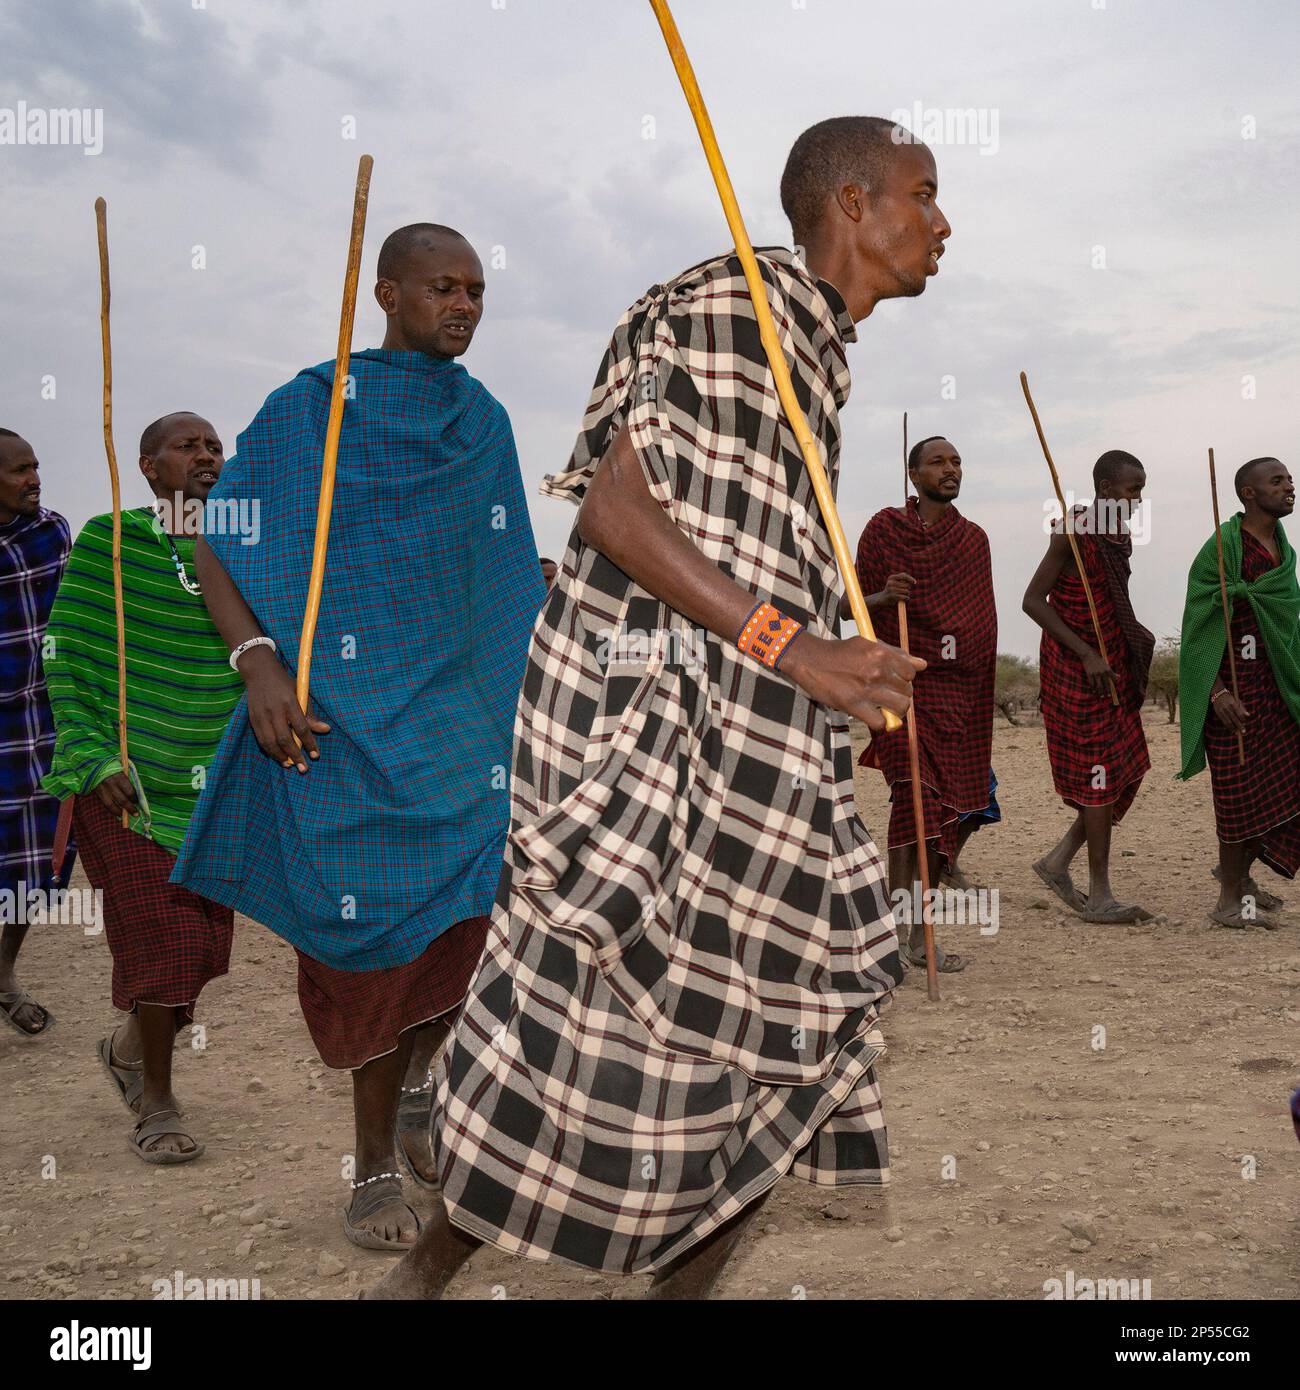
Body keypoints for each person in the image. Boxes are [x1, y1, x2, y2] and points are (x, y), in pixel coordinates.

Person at [368, 114, 945, 1301]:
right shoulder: (729, 305)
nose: (942, 225)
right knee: (589, 1007)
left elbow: (749, 532)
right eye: (923, 194)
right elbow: (613, 512)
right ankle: (429, 1265)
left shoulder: (816, 347)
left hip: (765, 744)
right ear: (850, 202)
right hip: (661, 729)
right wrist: (798, 649)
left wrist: (833, 660)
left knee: (779, 1024)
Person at [173, 224, 543, 1249]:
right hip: (333, 721)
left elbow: (504, 581)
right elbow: (217, 539)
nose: (462, 305)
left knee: (464, 931)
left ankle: (426, 1091)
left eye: (475, 289)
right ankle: (372, 1161)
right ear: (385, 293)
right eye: (441, 287)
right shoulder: (309, 407)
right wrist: (259, 664)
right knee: (368, 945)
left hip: (458, 728)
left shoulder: (484, 423)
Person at [41, 413, 243, 1160]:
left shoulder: (244, 548)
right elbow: (65, 657)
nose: (205, 456)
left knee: (205, 948)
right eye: (187, 446)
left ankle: (126, 1047)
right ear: (148, 466)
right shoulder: (109, 542)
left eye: (215, 446)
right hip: (127, 782)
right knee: (167, 938)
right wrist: (96, 760)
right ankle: (156, 1099)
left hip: (217, 784)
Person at [851, 434, 996, 973]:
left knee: (943, 818)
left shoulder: (973, 539)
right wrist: (883, 597)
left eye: (957, 461)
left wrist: (970, 681)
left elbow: (983, 625)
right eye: (937, 462)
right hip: (900, 687)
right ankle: (893, 937)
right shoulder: (884, 530)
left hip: (958, 697)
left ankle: (921, 935)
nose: (950, 469)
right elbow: (844, 605)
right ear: (913, 474)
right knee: (910, 804)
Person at [1023, 451, 1153, 922]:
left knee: (1126, 770)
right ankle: (1100, 896)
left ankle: (1057, 862)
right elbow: (1032, 601)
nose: (1138, 499)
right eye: (1131, 489)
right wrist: (1085, 652)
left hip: (1110, 665)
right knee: (1098, 776)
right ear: (1104, 487)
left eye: (1141, 490)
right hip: (1076, 669)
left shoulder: (1115, 537)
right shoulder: (1072, 531)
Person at [1177, 456, 1299, 928]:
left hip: (1277, 690)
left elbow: (1288, 618)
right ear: (1248, 493)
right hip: (1232, 695)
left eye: (1289, 479)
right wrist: (1216, 691)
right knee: (1237, 794)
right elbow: (1200, 625)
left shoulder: (1284, 550)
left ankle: (1240, 879)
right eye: (1277, 481)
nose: (1289, 486)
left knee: (1283, 785)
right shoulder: (1223, 547)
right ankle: (1228, 901)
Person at [0, 429, 75, 1036]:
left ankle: (4, 972)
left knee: (33, 868)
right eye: (20, 470)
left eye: (37, 465)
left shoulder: (50, 534)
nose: (35, 479)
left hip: (37, 728)